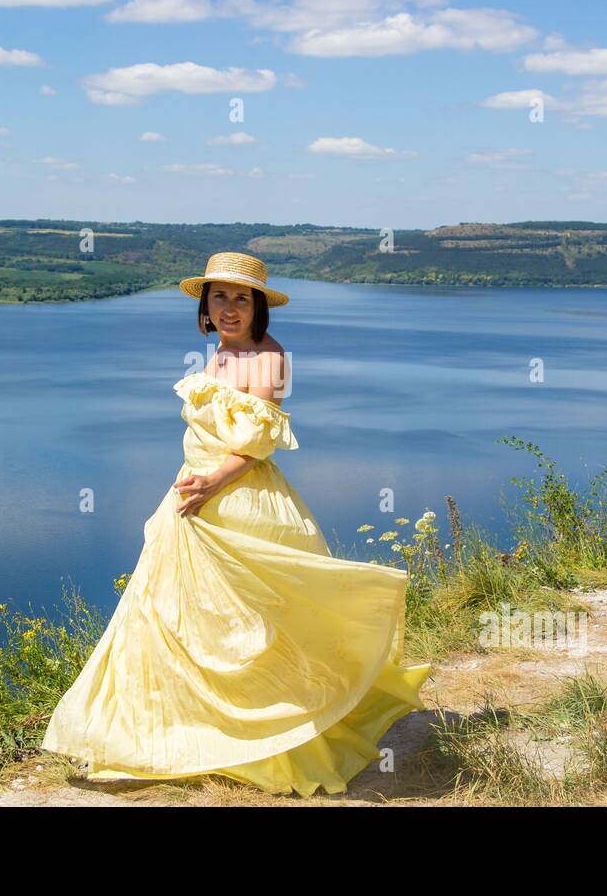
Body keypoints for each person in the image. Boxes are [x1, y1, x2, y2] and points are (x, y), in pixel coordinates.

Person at [39, 251, 433, 798]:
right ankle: (182, 732)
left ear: (258, 307)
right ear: (205, 305)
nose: (229, 308)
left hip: (236, 501)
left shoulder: (268, 358)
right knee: (175, 618)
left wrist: (209, 483)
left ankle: (267, 734)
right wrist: (193, 485)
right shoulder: (220, 353)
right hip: (193, 497)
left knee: (251, 625)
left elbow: (258, 444)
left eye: (240, 298)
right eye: (219, 297)